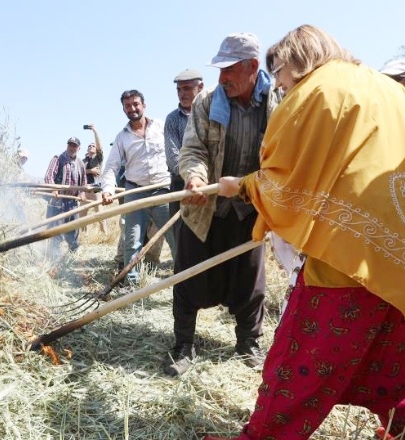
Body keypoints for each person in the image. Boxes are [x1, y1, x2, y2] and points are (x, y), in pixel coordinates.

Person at [206, 24, 405, 440]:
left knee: (299, 361)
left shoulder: (315, 91)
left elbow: (284, 174)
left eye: (282, 78)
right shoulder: (386, 87)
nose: (283, 88)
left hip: (349, 251)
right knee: (393, 364)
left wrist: (244, 186)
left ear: (295, 60)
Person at [164, 33, 280, 377]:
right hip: (206, 209)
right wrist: (196, 178)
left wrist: (252, 188)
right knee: (188, 277)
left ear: (253, 68)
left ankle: (248, 343)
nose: (222, 78)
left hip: (249, 208)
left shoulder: (276, 106)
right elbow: (194, 149)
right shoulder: (207, 102)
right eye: (219, 70)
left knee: (250, 282)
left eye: (229, 70)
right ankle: (183, 346)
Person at [100, 90, 175, 283]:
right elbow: (111, 167)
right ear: (124, 109)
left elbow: (178, 152)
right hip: (135, 192)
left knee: (174, 238)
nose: (132, 109)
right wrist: (107, 189)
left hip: (163, 190)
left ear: (143, 105)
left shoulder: (161, 126)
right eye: (127, 106)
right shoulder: (121, 137)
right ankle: (131, 285)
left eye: (135, 104)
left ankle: (185, 281)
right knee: (132, 241)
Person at [165, 68, 204, 224]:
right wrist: (191, 177)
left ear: (200, 87)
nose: (182, 93)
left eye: (187, 88)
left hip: (207, 185)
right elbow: (173, 157)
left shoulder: (213, 112)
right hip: (181, 184)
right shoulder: (172, 119)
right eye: (179, 89)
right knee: (181, 237)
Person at [43, 136, 87, 254]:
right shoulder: (58, 159)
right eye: (70, 145)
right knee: (56, 230)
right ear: (67, 145)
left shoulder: (81, 163)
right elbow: (49, 176)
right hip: (58, 201)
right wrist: (53, 188)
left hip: (72, 202)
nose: (72, 147)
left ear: (79, 148)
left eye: (74, 146)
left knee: (73, 229)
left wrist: (82, 192)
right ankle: (54, 256)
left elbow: (83, 182)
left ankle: (73, 253)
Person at [80, 124, 107, 233]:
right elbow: (79, 173)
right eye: (89, 145)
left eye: (93, 145)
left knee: (100, 215)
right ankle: (83, 236)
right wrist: (90, 171)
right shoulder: (83, 161)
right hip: (85, 189)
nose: (91, 146)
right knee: (82, 216)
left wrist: (95, 131)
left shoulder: (98, 158)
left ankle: (105, 236)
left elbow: (99, 146)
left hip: (96, 190)